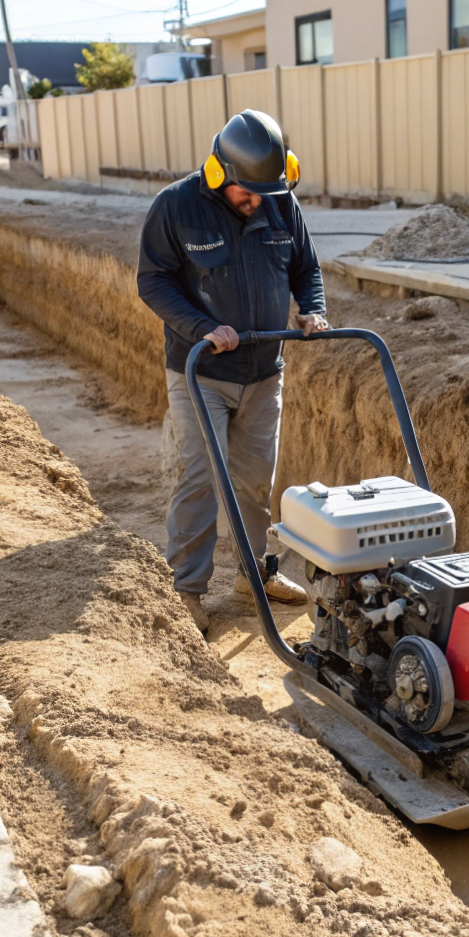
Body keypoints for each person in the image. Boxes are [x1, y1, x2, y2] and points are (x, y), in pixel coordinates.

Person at [137, 110, 325, 633]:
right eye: (247, 192)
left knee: (253, 481)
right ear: (219, 173)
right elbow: (153, 282)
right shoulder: (175, 207)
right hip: (202, 374)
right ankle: (188, 590)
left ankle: (253, 572)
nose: (259, 201)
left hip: (265, 372)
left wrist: (312, 308)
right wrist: (201, 326)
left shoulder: (280, 200)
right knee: (198, 477)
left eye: (268, 191)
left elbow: (307, 269)